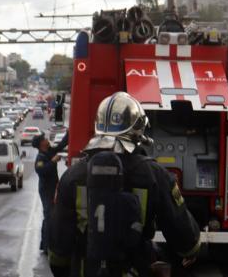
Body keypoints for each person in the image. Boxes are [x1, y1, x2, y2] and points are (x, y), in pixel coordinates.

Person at [48, 92, 201, 277]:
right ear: (137, 130)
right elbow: (186, 240)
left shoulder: (73, 175)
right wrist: (190, 252)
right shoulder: (155, 175)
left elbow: (58, 244)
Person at [32, 130, 68, 254]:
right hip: (46, 190)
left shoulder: (49, 151)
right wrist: (53, 162)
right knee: (49, 216)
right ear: (41, 144)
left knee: (50, 216)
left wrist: (69, 133)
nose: (47, 139)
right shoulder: (41, 157)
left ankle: (46, 244)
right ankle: (47, 247)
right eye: (44, 139)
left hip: (52, 188)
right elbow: (41, 171)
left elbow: (61, 146)